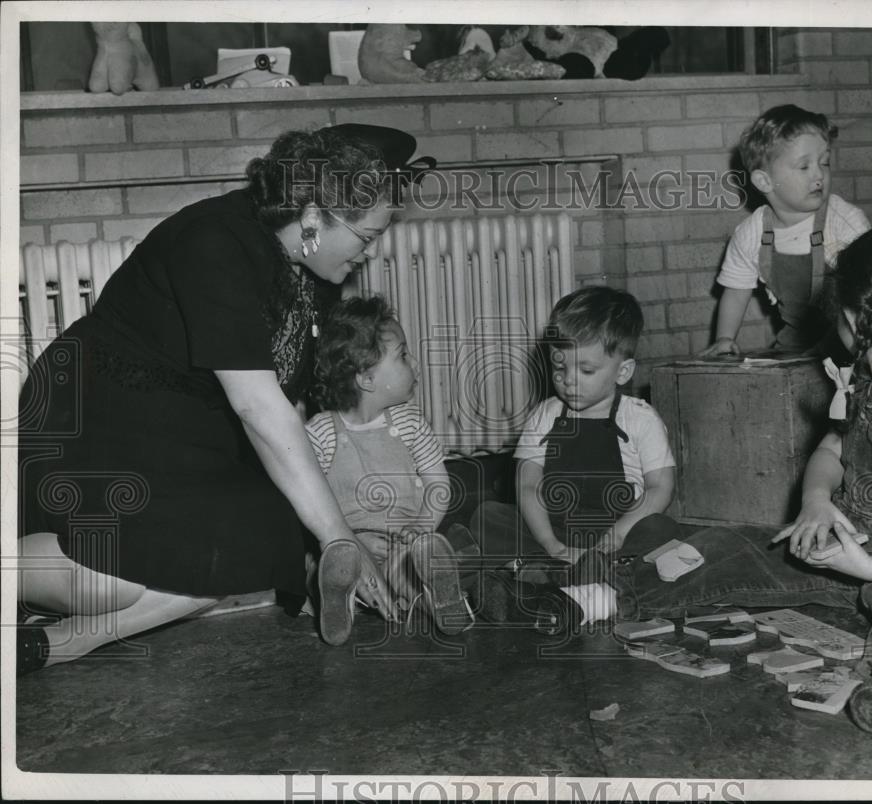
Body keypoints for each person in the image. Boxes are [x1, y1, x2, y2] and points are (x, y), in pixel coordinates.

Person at [16, 124, 435, 675]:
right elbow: (258, 406)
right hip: (94, 423)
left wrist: (326, 532)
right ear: (313, 217)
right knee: (112, 582)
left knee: (257, 541)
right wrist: (339, 536)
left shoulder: (312, 271)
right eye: (365, 237)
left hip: (183, 442)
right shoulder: (215, 241)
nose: (370, 252)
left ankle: (68, 642)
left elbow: (290, 406)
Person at [637, 224, 872, 748]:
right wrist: (816, 502)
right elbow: (832, 450)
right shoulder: (867, 381)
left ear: (854, 318)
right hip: (855, 552)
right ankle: (588, 594)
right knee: (734, 544)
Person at [472, 286, 677, 629]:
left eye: (585, 370)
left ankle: (542, 580)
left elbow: (660, 488)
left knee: (663, 531)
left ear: (622, 372)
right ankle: (563, 574)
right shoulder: (544, 416)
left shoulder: (640, 419)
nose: (568, 380)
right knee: (487, 516)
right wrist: (551, 544)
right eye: (559, 367)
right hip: (553, 531)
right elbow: (528, 486)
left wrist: (616, 535)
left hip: (617, 535)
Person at [304, 295, 474, 644]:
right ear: (367, 378)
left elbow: (438, 484)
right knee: (328, 564)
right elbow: (309, 500)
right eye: (403, 356)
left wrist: (421, 526)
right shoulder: (321, 431)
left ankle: (439, 599)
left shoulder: (410, 422)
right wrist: (346, 542)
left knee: (410, 568)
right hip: (347, 543)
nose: (415, 364)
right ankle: (337, 601)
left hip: (403, 540)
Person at [701, 104, 871, 358]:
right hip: (794, 349)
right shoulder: (752, 233)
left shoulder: (843, 221)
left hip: (850, 346)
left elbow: (870, 295)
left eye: (824, 163)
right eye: (804, 167)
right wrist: (725, 339)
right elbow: (736, 293)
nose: (818, 175)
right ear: (764, 181)